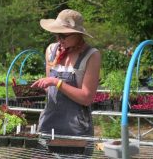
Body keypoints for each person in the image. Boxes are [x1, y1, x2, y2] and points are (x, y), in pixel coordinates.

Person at [31, 9, 101, 138]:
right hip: (48, 123)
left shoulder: (91, 55)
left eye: (63, 35)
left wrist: (57, 82)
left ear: (77, 35)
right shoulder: (51, 50)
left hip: (76, 128)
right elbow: (49, 89)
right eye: (56, 34)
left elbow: (86, 98)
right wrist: (37, 89)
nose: (59, 39)